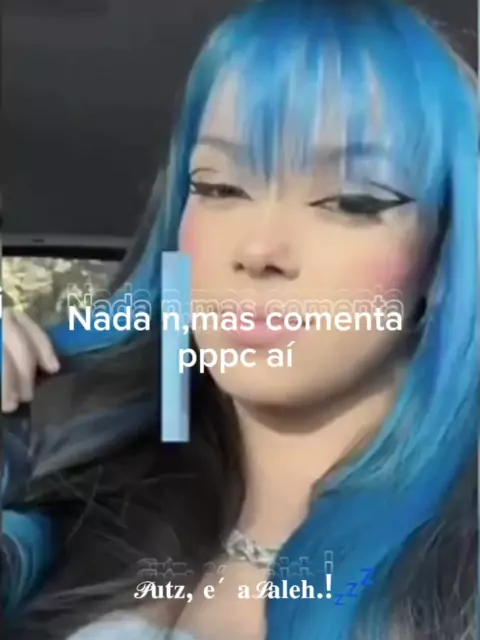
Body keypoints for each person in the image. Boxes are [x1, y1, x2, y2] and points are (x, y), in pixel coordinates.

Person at [2, 0, 477, 638]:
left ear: (443, 251)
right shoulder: (67, 490)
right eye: (220, 188)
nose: (258, 250)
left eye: (352, 201)